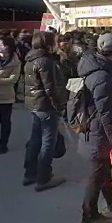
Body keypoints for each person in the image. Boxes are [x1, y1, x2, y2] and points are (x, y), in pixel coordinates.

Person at [77, 33, 112, 223]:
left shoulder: (96, 65)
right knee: (97, 173)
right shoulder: (102, 76)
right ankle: (88, 215)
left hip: (93, 128)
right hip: (98, 131)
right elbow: (106, 113)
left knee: (105, 167)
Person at [22, 31, 68, 191]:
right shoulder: (45, 62)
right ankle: (44, 177)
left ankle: (30, 173)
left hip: (35, 105)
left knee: (35, 139)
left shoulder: (30, 58)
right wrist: (60, 107)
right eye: (54, 41)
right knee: (48, 142)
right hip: (46, 106)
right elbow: (51, 89)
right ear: (48, 44)